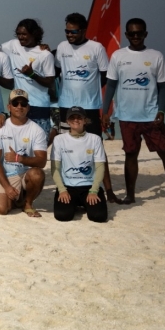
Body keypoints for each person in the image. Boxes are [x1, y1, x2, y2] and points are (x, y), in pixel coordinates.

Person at [102, 18, 165, 209]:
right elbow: (110, 85)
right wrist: (105, 112)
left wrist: (161, 110)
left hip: (152, 116)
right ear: (127, 35)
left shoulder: (156, 56)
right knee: (131, 155)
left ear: (145, 34)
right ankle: (130, 195)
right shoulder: (118, 56)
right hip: (127, 116)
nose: (136, 36)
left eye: (139, 33)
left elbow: (163, 88)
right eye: (132, 33)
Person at [54, 12, 122, 204]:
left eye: (73, 31)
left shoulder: (96, 48)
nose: (69, 35)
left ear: (84, 30)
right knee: (68, 148)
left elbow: (106, 77)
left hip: (90, 107)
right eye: (67, 31)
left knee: (96, 148)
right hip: (66, 106)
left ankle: (108, 190)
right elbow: (56, 71)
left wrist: (103, 106)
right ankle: (68, 186)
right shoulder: (61, 47)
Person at [0, 89, 48, 218]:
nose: (19, 107)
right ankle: (17, 199)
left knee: (37, 174)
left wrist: (19, 158)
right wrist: (7, 187)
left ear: (28, 107)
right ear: (9, 107)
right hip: (8, 175)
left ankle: (28, 203)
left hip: (27, 173)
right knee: (0, 209)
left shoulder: (37, 130)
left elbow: (42, 161)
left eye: (23, 104)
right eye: (15, 104)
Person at [51, 107, 109, 222]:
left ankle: (85, 203)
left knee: (98, 216)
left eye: (79, 117)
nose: (76, 120)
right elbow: (55, 168)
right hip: (68, 187)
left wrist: (93, 191)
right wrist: (62, 190)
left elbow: (100, 167)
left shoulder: (95, 139)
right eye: (72, 117)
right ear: (67, 121)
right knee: (62, 216)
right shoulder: (59, 140)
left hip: (89, 186)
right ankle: (75, 204)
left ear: (85, 120)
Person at [0, 19, 56, 134]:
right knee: (19, 143)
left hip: (38, 106)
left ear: (34, 34)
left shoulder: (45, 54)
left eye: (24, 34)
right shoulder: (13, 45)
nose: (20, 37)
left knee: (40, 145)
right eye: (18, 34)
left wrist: (32, 74)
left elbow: (50, 82)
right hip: (18, 105)